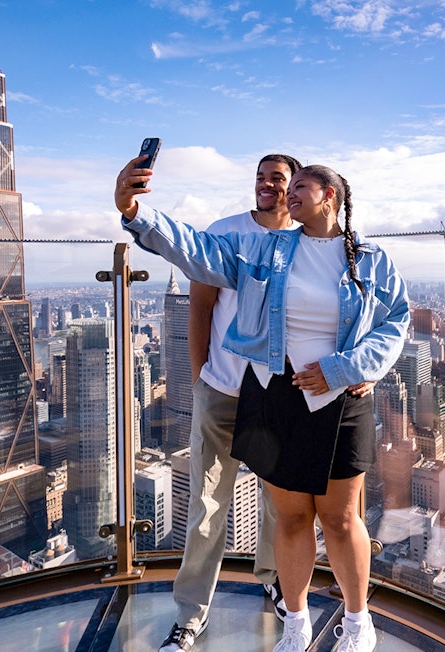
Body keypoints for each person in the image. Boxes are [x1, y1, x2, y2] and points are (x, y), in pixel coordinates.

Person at [115, 160, 409, 652]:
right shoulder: (265, 251)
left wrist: (351, 368)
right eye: (285, 186)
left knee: (339, 520)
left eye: (300, 186)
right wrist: (135, 211)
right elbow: (198, 251)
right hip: (277, 398)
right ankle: (296, 626)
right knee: (291, 519)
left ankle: (359, 626)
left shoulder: (372, 259)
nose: (288, 194)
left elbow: (395, 322)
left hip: (340, 402)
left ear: (330, 196)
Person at [157, 154, 298, 652]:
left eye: (276, 179)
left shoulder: (305, 242)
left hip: (277, 397)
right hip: (221, 391)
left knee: (279, 504)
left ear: (294, 186)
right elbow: (200, 309)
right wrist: (200, 382)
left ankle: (276, 581)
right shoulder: (225, 232)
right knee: (206, 507)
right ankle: (190, 614)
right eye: (260, 176)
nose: (265, 185)